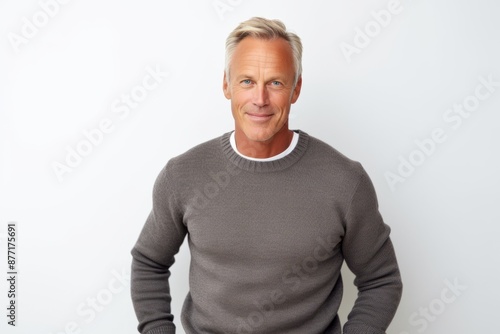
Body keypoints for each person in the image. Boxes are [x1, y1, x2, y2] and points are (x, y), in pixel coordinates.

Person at [131, 17, 403, 334]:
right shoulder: (183, 175)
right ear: (226, 85)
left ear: (296, 88)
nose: (260, 99)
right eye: (247, 81)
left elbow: (381, 279)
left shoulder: (344, 182)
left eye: (275, 83)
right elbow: (149, 262)